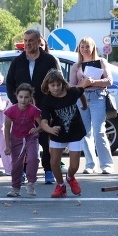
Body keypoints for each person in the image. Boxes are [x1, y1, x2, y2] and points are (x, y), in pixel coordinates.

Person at [6, 28, 61, 184]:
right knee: (23, 140)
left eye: (31, 40)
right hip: (23, 109)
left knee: (45, 139)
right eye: (25, 41)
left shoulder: (50, 60)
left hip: (45, 107)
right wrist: (16, 101)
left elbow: (58, 81)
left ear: (38, 42)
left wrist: (54, 101)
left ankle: (49, 170)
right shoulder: (17, 61)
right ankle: (22, 172)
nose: (28, 44)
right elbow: (10, 82)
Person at [69, 37, 115, 174]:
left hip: (97, 97)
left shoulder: (101, 62)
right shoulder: (76, 66)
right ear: (79, 49)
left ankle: (107, 165)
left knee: (99, 131)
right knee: (85, 132)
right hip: (81, 98)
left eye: (87, 46)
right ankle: (90, 164)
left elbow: (109, 81)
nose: (85, 49)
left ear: (93, 47)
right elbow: (71, 87)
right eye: (82, 47)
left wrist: (93, 81)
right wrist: (82, 84)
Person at [40, 69, 87, 198]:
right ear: (47, 86)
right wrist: (49, 129)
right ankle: (60, 186)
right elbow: (43, 121)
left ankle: (70, 177)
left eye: (58, 85)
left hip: (75, 132)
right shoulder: (47, 101)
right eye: (52, 85)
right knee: (54, 163)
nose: (55, 88)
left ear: (63, 83)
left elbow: (81, 92)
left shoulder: (72, 92)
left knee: (74, 165)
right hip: (58, 133)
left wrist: (84, 105)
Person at [4, 83, 42, 197]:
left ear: (30, 98)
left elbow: (42, 125)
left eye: (26, 97)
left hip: (31, 138)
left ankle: (31, 182)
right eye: (21, 97)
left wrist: (36, 130)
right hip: (16, 139)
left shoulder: (33, 110)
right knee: (16, 164)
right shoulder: (11, 110)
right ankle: (15, 188)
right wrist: (7, 146)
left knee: (33, 159)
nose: (23, 100)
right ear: (16, 96)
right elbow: (6, 128)